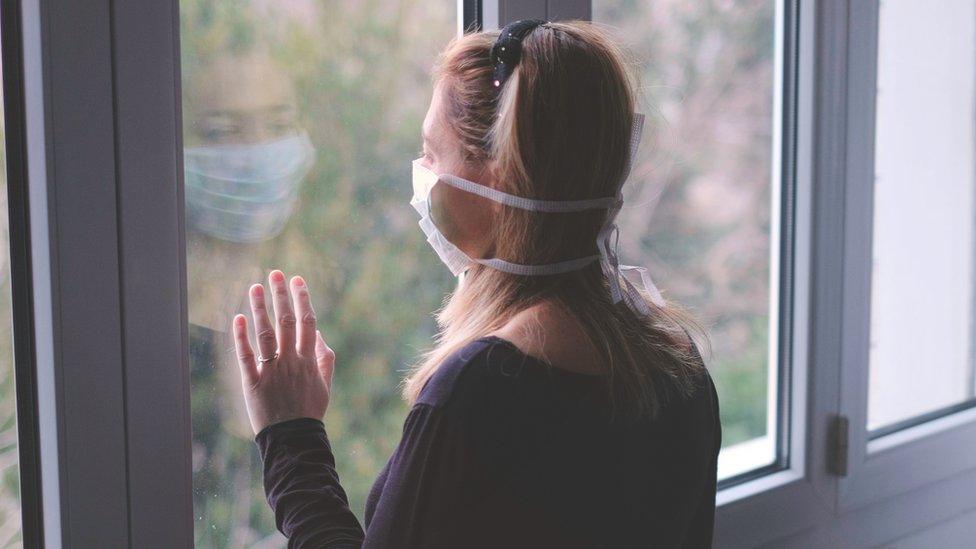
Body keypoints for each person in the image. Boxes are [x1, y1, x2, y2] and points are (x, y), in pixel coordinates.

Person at [231, 19, 721, 548]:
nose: (421, 172)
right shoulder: (677, 363)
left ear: (497, 177)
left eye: (431, 153)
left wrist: (291, 436)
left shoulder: (482, 391)